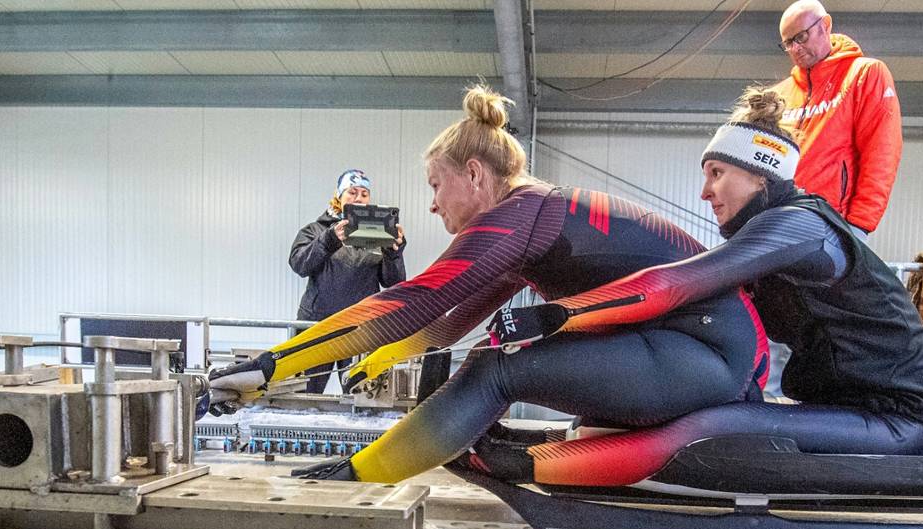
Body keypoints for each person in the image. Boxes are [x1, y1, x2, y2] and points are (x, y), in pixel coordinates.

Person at [206, 85, 769, 484]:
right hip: (708, 353)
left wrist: (270, 365)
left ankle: (361, 475)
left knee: (494, 367)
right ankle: (389, 464)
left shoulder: (517, 215)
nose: (432, 204)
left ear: (474, 174)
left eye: (436, 184)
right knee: (491, 355)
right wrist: (379, 359)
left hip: (703, 355)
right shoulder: (533, 221)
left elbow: (413, 300)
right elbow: (449, 322)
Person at [465, 87, 923, 487]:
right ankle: (537, 448)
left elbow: (675, 283)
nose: (705, 192)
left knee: (704, 430)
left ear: (760, 175)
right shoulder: (768, 238)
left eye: (717, 174)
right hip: (841, 408)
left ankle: (511, 466)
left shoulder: (800, 225)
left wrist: (556, 316)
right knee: (650, 413)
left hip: (899, 423)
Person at [771, 0, 902, 240]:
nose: (796, 48)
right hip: (779, 224)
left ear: (825, 25)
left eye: (801, 37)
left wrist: (859, 226)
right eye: (788, 43)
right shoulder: (780, 95)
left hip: (834, 225)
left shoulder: (864, 74)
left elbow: (882, 151)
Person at [289, 169, 407, 393]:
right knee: (305, 394)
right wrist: (329, 239)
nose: (358, 198)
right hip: (317, 326)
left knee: (362, 395)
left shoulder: (378, 235)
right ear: (339, 196)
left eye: (364, 193)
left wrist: (394, 253)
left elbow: (394, 283)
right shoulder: (315, 230)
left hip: (361, 328)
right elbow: (299, 264)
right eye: (352, 192)